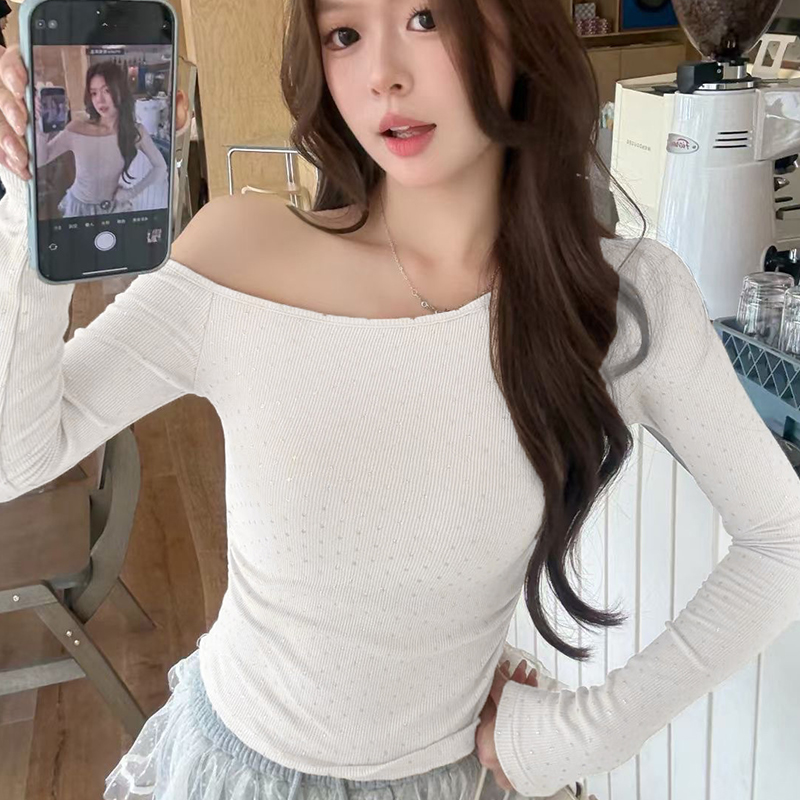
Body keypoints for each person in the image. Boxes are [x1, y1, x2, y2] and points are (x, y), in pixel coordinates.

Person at [0, 0, 799, 798]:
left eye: (426, 18)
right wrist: (27, 210)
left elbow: (781, 538)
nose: (382, 75)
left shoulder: (620, 299)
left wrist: (578, 738)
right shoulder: (239, 252)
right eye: (344, 35)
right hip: (234, 769)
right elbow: (18, 458)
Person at [35, 60, 167, 217]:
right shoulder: (77, 128)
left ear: (120, 91)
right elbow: (41, 160)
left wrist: (131, 193)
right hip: (78, 207)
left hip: (113, 208)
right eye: (94, 93)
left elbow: (160, 166)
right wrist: (41, 129)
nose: (100, 100)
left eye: (107, 91)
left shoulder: (134, 132)